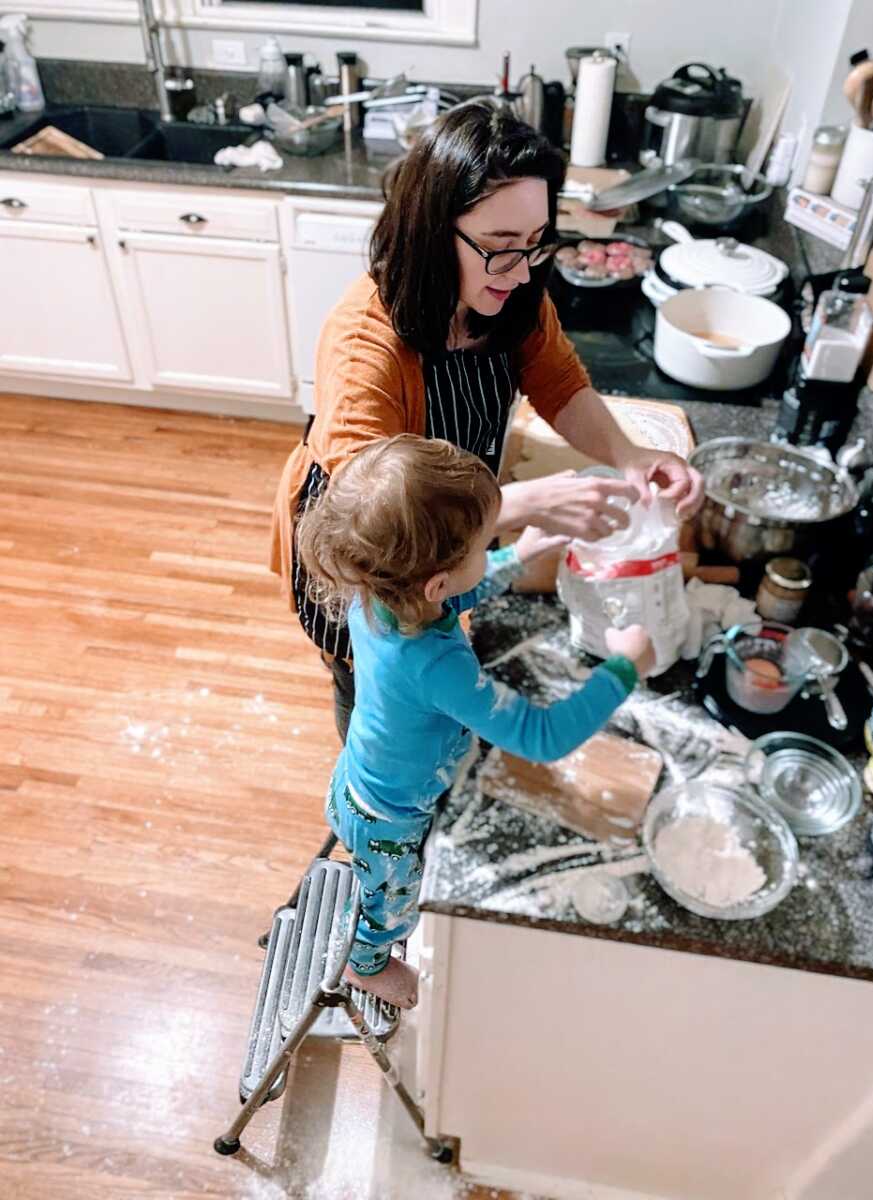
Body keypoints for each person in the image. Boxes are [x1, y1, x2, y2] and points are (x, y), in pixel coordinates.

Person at [270, 99, 703, 742]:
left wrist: (628, 455)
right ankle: (372, 787)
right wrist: (524, 503)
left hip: (456, 534)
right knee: (377, 694)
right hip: (368, 546)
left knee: (435, 670)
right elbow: (377, 512)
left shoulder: (513, 289)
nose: (523, 269)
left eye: (535, 244)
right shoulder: (365, 341)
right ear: (431, 229)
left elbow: (560, 383)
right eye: (501, 247)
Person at [298, 435, 656, 1009]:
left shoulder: (378, 593)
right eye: (487, 544)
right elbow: (542, 737)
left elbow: (452, 596)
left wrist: (518, 555)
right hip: (390, 820)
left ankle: (366, 910)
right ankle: (365, 963)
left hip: (363, 783)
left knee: (376, 879)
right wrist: (624, 667)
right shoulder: (436, 666)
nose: (492, 550)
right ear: (437, 581)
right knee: (388, 904)